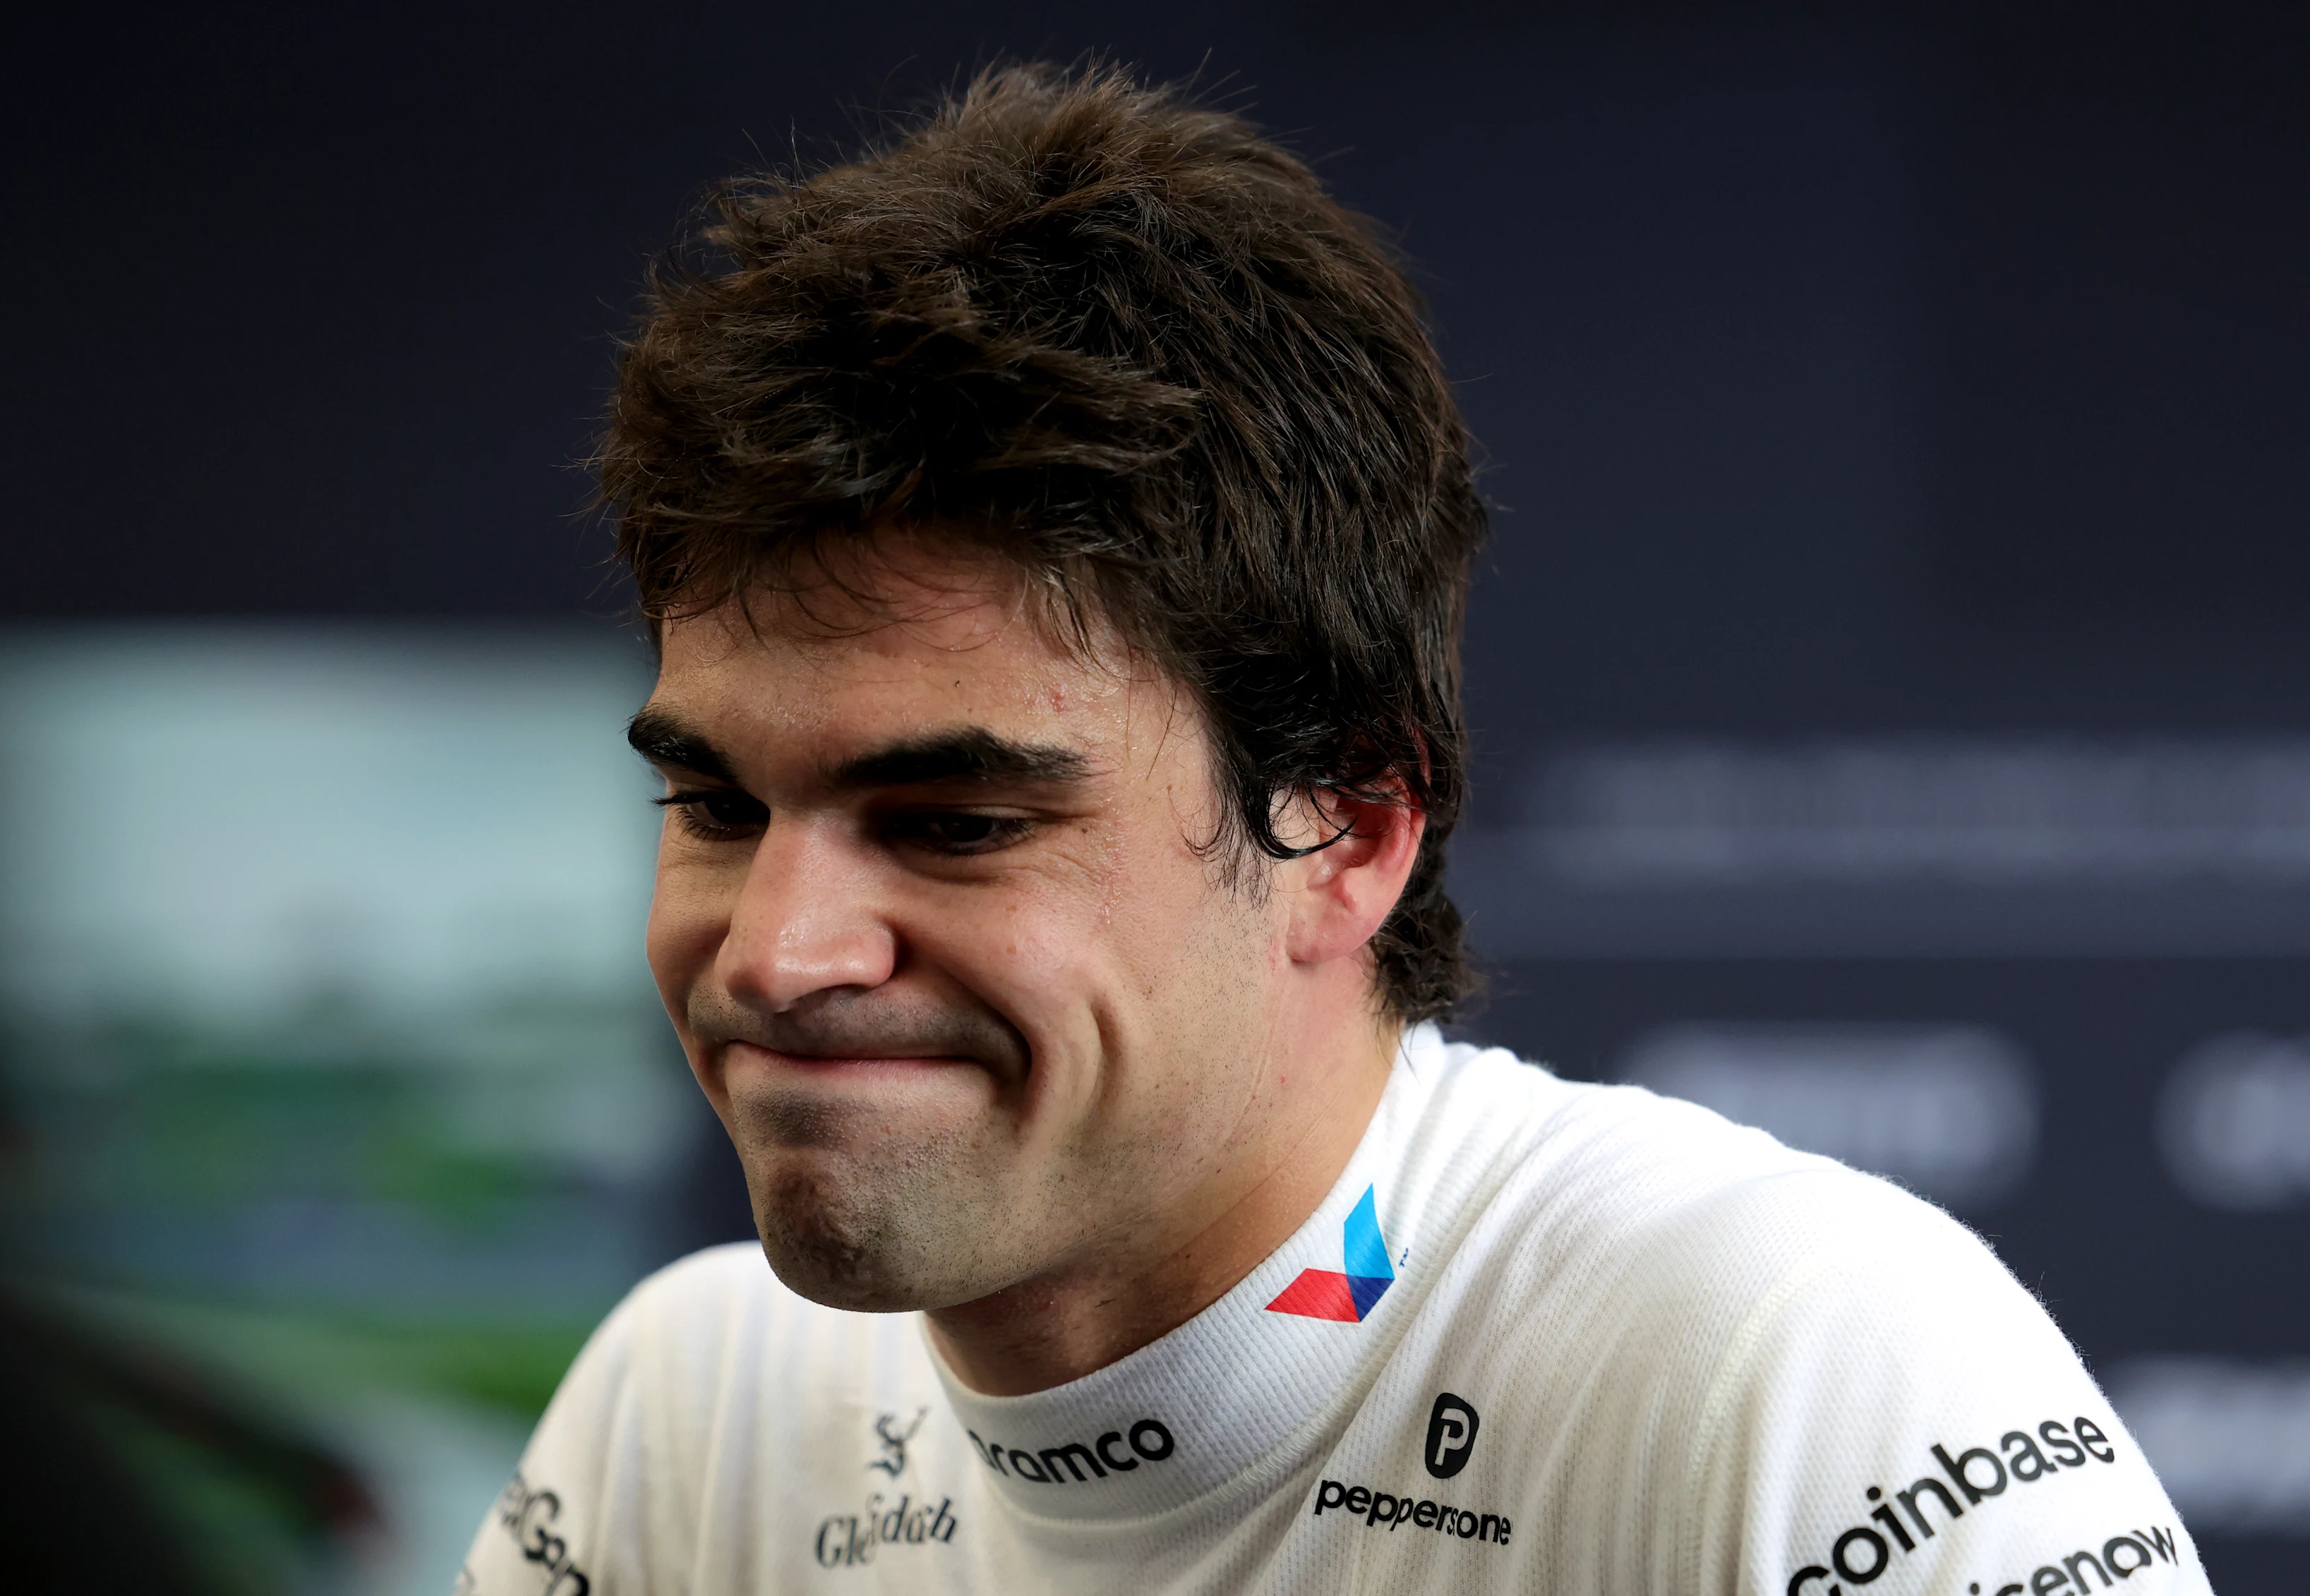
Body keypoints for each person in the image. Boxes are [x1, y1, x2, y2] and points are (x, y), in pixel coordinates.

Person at [459, 64, 2208, 1596]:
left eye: (959, 821)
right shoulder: (688, 1410)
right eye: (712, 801)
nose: (775, 952)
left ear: (1349, 829)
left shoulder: (1785, 1361)